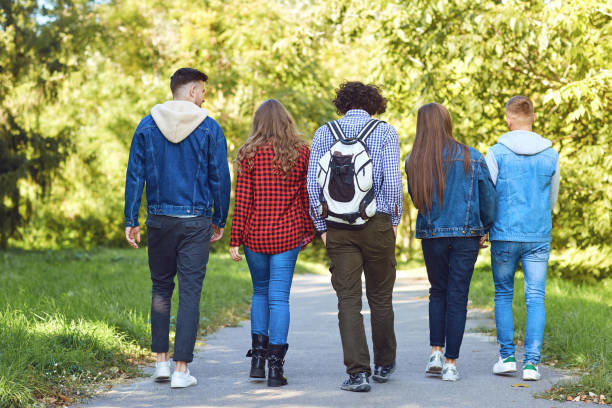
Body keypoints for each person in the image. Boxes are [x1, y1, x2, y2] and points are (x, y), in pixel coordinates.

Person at [124, 67, 231, 388]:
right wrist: (219, 218)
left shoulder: (146, 125)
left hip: (158, 219)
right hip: (195, 221)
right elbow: (220, 179)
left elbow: (134, 175)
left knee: (160, 289)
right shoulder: (210, 128)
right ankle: (181, 370)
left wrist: (131, 218)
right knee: (189, 293)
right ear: (191, 91)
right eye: (202, 91)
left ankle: (160, 363)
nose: (204, 97)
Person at [307, 81, 402, 392]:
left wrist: (322, 228)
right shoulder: (385, 131)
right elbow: (391, 182)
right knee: (380, 296)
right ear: (373, 104)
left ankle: (357, 373)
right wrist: (394, 221)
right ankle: (385, 364)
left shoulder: (325, 133)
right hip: (377, 222)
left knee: (348, 299)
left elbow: (312, 185)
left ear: (342, 104)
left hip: (337, 226)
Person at [405, 103, 497, 382]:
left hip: (433, 235)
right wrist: (486, 227)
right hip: (466, 235)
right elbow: (489, 199)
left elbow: (416, 198)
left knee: (438, 291)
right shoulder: (472, 157)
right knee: (458, 296)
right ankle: (451, 363)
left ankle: (435, 351)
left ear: (422, 126)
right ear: (447, 123)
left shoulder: (414, 161)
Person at [229, 99, 314, 387]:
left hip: (255, 235)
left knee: (260, 294)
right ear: (286, 121)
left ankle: (257, 361)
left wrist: (235, 239)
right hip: (287, 234)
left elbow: (242, 202)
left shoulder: (247, 154)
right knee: (279, 298)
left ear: (258, 123)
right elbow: (306, 197)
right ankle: (276, 369)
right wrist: (309, 230)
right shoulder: (302, 152)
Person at [486, 96, 560, 381]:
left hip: (504, 235)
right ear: (534, 118)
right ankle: (531, 365)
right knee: (535, 297)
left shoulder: (496, 152)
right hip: (538, 234)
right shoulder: (551, 154)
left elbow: (488, 196)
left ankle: (506, 358)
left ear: (508, 119)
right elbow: (552, 199)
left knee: (504, 294)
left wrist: (484, 228)